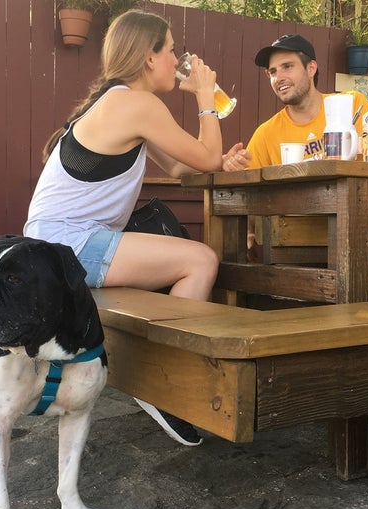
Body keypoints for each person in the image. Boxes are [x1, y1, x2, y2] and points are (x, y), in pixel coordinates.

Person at [24, 10, 224, 446]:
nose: (177, 60)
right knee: (200, 260)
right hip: (69, 244)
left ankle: (152, 376)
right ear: (149, 57)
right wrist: (206, 97)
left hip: (58, 240)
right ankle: (162, 384)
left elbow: (182, 167)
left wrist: (223, 160)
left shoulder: (122, 102)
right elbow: (205, 159)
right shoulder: (136, 104)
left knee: (191, 259)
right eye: (171, 50)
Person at [222, 34, 368, 259]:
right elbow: (246, 198)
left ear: (311, 68)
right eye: (272, 72)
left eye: (287, 67)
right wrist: (230, 165)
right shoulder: (266, 133)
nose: (278, 77)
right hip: (295, 245)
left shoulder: (352, 105)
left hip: (359, 233)